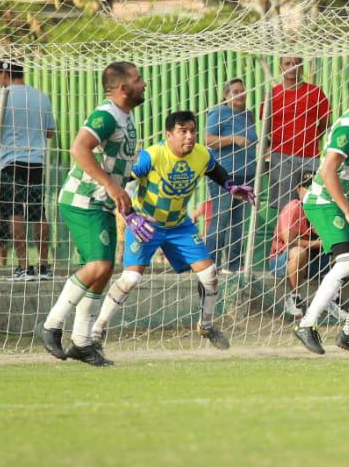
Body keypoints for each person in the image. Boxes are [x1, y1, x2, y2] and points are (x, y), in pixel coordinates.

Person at [87, 110, 257, 352]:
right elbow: (121, 182)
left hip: (179, 225)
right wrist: (129, 215)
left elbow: (214, 169)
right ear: (168, 135)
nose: (189, 137)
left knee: (209, 274)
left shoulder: (200, 153)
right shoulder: (152, 156)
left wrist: (230, 186)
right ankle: (97, 330)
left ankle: (206, 325)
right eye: (182, 131)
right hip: (145, 223)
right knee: (131, 278)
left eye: (192, 131)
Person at [38, 61, 147, 367]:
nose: (144, 84)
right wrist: (112, 187)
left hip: (102, 203)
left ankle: (82, 343)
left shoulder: (127, 116)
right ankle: (51, 324)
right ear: (123, 88)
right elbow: (79, 149)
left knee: (104, 269)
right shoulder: (106, 115)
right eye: (139, 80)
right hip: (82, 200)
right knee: (98, 265)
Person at [293, 76, 349, 358]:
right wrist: (347, 210)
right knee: (346, 262)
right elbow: (328, 172)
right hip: (324, 203)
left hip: (346, 204)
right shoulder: (347, 129)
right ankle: (306, 324)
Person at [0, 61, 57, 280]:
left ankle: (24, 266)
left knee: (14, 213)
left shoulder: (0, 97)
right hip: (36, 162)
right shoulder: (41, 97)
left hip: (9, 163)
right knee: (37, 212)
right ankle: (44, 266)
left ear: (5, 73)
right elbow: (50, 132)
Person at [262, 55, 332, 211]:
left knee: (312, 201)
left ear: (301, 67)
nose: (292, 67)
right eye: (288, 64)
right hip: (281, 156)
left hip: (310, 156)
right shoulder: (272, 95)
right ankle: (284, 235)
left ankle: (311, 234)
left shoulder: (315, 92)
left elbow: (327, 121)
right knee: (285, 206)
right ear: (281, 68)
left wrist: (315, 137)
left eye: (296, 63)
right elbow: (265, 127)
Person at [204, 78, 258, 271]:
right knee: (222, 217)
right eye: (235, 92)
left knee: (238, 222)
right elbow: (208, 140)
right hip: (225, 176)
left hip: (247, 174)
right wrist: (233, 139)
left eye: (242, 91)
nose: (240, 95)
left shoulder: (247, 115)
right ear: (226, 95)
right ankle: (211, 264)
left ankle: (235, 265)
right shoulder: (218, 113)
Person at [270, 174, 324, 321]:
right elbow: (290, 242)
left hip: (313, 260)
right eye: (307, 187)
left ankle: (333, 298)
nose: (310, 191)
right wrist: (321, 243)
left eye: (314, 187)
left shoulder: (320, 208)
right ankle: (294, 297)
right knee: (298, 252)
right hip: (281, 260)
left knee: (342, 249)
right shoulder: (293, 207)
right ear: (298, 189)